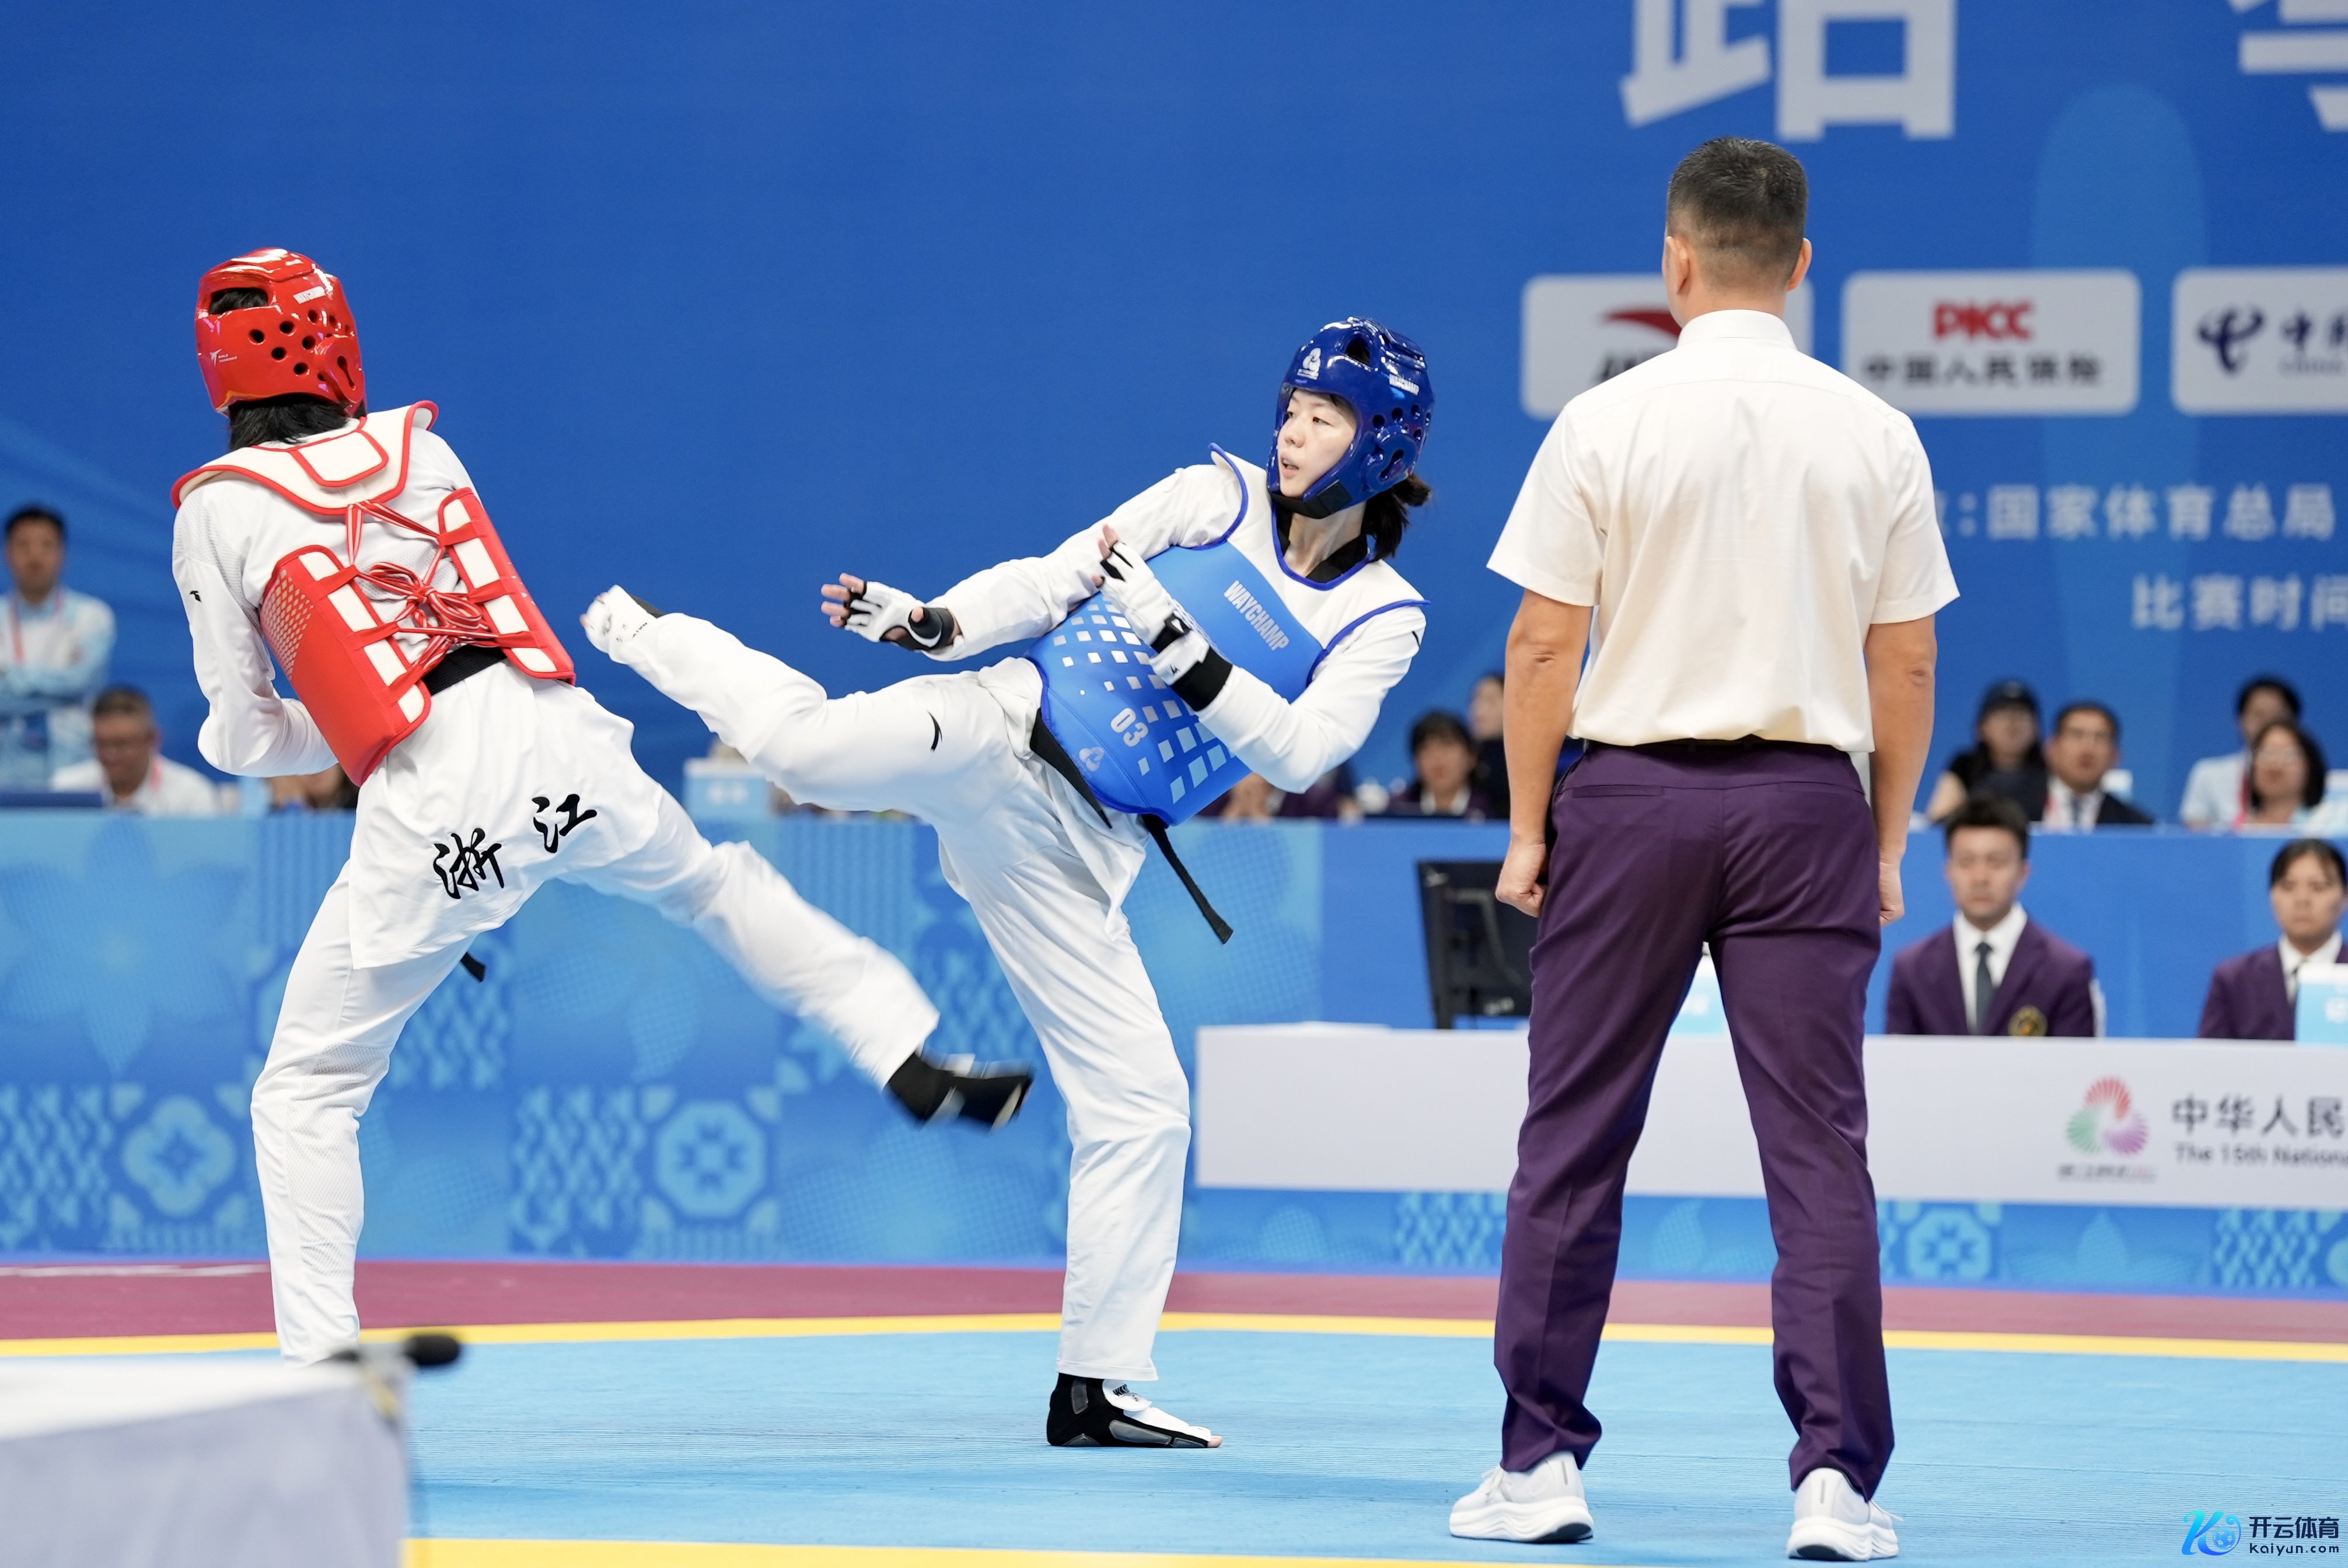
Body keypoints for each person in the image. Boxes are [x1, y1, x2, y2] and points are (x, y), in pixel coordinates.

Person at [584, 316, 1435, 1449]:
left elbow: (1300, 751)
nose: (1289, 432)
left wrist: (1189, 654)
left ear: (1378, 444)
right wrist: (936, 622)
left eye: (1321, 418)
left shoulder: (1380, 615)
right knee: (803, 754)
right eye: (1290, 407)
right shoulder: (1208, 495)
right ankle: (648, 634)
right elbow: (1047, 582)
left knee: (1142, 1108)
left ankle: (1095, 1388)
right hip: (998, 725)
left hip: (1078, 850)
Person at [172, 249, 1024, 1364]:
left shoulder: (218, 510)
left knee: (310, 1086)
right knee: (712, 886)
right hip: (557, 738)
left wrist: (314, 726)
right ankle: (899, 1045)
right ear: (334, 346)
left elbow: (245, 738)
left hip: (434, 794)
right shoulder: (422, 447)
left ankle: (322, 1359)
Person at [1450, 137, 1949, 1560]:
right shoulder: (1872, 430)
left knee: (1571, 1138)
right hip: (1806, 808)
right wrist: (1884, 841)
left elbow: (1540, 645)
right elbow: (1904, 665)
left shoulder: (1603, 421)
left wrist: (1527, 830)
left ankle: (1538, 1464)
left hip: (1629, 805)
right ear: (1800, 264)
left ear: (1672, 261)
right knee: (1817, 1153)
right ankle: (1834, 1484)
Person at [1883, 797, 2099, 1037]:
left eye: (1996, 862)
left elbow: (2075, 1060)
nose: (1980, 878)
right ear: (1949, 871)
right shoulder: (1912, 969)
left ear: (2023, 873)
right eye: (1966, 862)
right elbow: (1901, 1058)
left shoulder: (2066, 970)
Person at [0, 505, 116, 788]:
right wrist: (61, 691)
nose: (35, 556)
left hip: (76, 766)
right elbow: (71, 686)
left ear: (63, 553)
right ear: (7, 553)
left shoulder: (92, 616)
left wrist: (9, 677)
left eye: (46, 545)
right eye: (23, 545)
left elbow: (81, 682)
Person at [2199, 839, 2346, 1041]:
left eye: (2318, 887)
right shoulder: (2235, 980)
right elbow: (2208, 1058)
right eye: (2288, 886)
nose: (2302, 899)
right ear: (2272, 895)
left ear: (2344, 896)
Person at [48, 685, 223, 815]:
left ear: (152, 740)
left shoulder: (191, 796)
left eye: (122, 745)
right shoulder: (66, 789)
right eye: (101, 744)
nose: (110, 755)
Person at [2181, 676, 2301, 831]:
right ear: (2240, 720)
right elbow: (2196, 834)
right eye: (2259, 715)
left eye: (2277, 717)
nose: (2268, 725)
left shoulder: (2310, 779)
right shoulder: (2208, 774)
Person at [1923, 678, 2045, 822]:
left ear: (2037, 728)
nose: (2012, 723)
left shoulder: (2051, 766)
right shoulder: (1964, 766)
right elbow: (1937, 820)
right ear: (1981, 728)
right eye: (2002, 714)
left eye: (2021, 714)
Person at [2038, 701, 2151, 830]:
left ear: (2115, 756)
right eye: (2076, 735)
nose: (2088, 749)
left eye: (2100, 738)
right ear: (2051, 749)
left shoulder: (2136, 827)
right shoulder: (2020, 808)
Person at [1380, 710, 1494, 818]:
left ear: (1472, 757)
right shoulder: (1397, 811)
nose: (1437, 757)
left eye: (1446, 746)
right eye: (1426, 748)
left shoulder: (1493, 809)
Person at [2232, 720, 2330, 832]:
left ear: (2311, 766)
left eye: (2289, 755)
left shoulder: (2327, 823)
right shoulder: (2238, 829)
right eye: (2267, 754)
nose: (2275, 766)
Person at [1468, 670, 1510, 817]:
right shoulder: (1466, 759)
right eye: (1475, 700)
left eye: (1490, 701)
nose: (1478, 709)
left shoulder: (1526, 762)